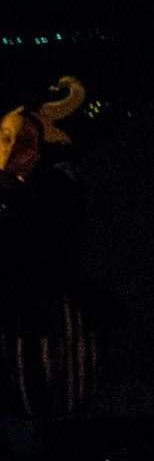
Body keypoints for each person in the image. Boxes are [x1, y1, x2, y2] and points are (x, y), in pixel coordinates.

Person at [0, 78, 98, 421]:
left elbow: (45, 245)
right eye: (5, 140)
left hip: (50, 309)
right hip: (20, 310)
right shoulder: (18, 190)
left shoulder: (56, 186)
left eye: (23, 142)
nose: (10, 152)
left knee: (50, 387)